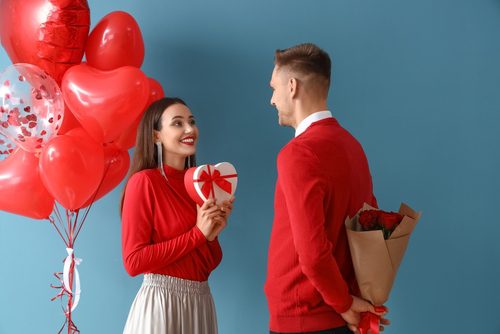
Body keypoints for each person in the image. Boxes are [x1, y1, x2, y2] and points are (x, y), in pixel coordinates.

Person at [264, 43, 388, 334]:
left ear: (291, 86)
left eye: (273, 88)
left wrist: (345, 304)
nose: (271, 99)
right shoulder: (353, 147)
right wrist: (355, 303)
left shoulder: (297, 153)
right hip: (343, 316)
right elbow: (370, 229)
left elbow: (313, 253)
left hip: (305, 318)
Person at [120, 97, 233, 334]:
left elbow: (206, 265)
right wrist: (197, 235)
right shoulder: (145, 182)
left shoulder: (200, 184)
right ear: (155, 136)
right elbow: (133, 262)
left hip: (200, 303)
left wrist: (211, 236)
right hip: (161, 305)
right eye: (178, 123)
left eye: (191, 121)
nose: (190, 129)